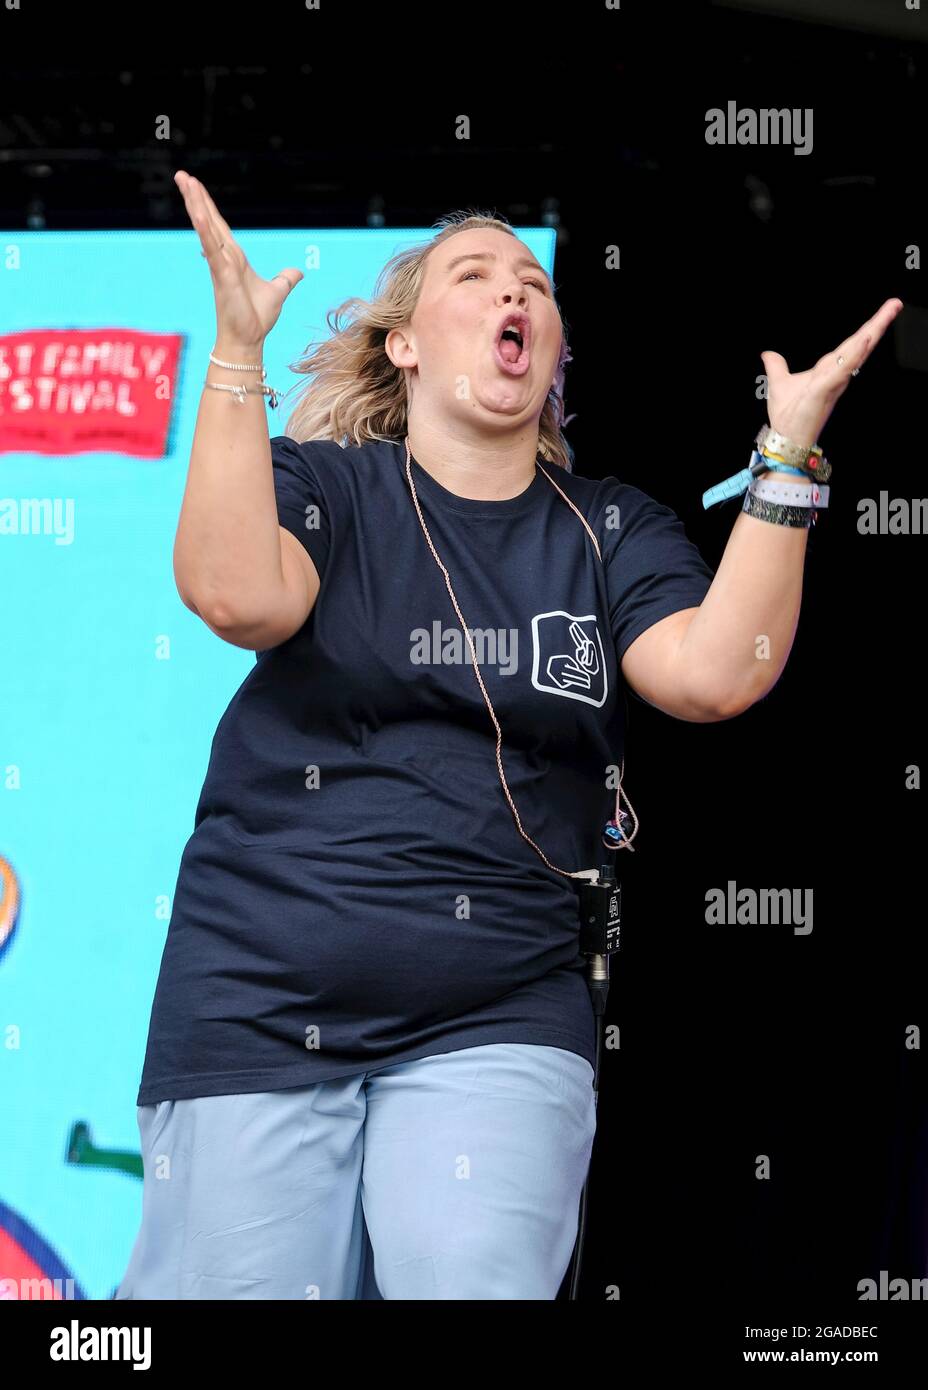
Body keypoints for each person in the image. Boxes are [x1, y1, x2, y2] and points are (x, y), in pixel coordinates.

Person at [115, 171, 721, 1302]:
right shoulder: (327, 487)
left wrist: (786, 474)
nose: (517, 294)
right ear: (400, 345)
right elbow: (234, 593)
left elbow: (712, 676)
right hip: (260, 995)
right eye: (476, 274)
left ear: (548, 348)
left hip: (500, 1004)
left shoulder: (609, 528)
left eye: (534, 284)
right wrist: (237, 351)